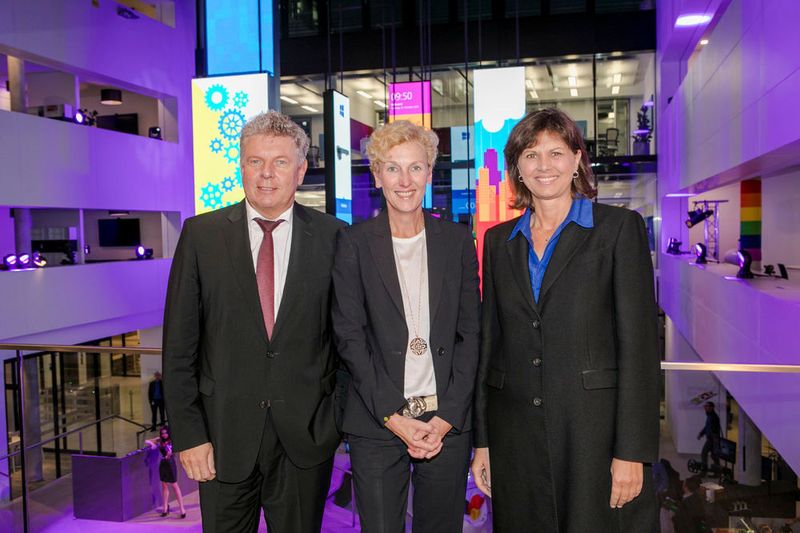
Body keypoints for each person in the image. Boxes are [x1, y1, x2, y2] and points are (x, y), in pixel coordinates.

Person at [471, 108, 661, 532]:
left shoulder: (618, 229)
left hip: (593, 436)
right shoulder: (498, 241)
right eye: (531, 155)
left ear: (577, 160)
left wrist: (632, 451)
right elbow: (490, 346)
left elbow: (639, 348)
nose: (544, 165)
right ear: (517, 168)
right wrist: (483, 441)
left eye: (555, 153)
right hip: (515, 437)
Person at [163, 110, 345, 533]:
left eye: (280, 162)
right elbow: (179, 349)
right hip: (220, 440)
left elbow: (347, 342)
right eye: (255, 161)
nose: (266, 174)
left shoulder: (335, 237)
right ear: (241, 166)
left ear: (300, 171)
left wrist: (333, 422)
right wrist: (190, 435)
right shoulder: (201, 236)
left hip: (306, 441)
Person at [331, 120, 480, 532]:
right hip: (377, 420)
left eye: (415, 168)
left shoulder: (457, 241)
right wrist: (393, 417)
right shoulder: (353, 243)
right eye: (393, 168)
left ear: (429, 173)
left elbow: (471, 335)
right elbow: (349, 337)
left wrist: (447, 417)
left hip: (444, 422)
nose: (405, 180)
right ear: (377, 175)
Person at [145, 425, 187, 518]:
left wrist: (169, 453)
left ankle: (182, 509)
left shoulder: (172, 441)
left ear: (169, 433)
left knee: (175, 486)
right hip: (163, 464)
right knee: (164, 486)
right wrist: (153, 444)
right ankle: (165, 508)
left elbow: (170, 452)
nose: (164, 435)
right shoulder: (160, 439)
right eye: (162, 433)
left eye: (166, 433)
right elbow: (147, 441)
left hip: (170, 464)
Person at [698, 401, 722, 472]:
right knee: (714, 455)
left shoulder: (714, 417)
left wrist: (713, 440)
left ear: (712, 407)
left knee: (704, 452)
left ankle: (704, 468)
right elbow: (707, 427)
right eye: (705, 406)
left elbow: (714, 430)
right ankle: (718, 470)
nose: (705, 408)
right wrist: (701, 433)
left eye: (707, 406)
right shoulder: (709, 416)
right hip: (711, 439)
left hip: (712, 439)